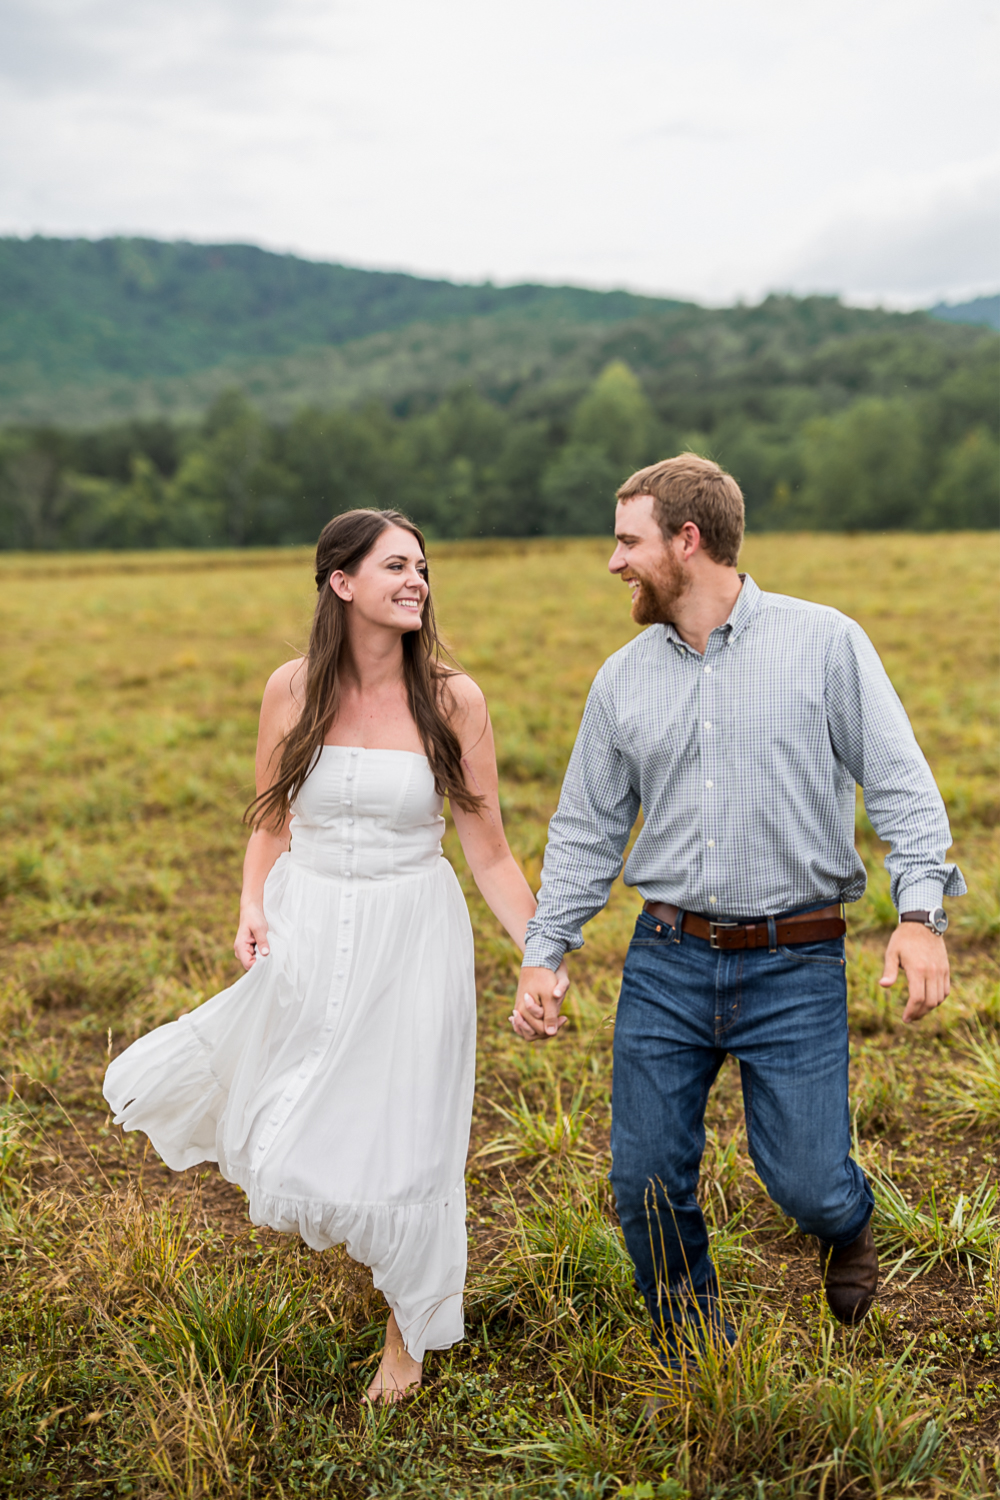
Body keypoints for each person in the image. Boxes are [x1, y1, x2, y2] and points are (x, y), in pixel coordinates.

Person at [105, 508, 567, 1403]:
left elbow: (492, 853)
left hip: (413, 929)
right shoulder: (292, 688)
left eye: (423, 567)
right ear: (340, 581)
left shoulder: (452, 698)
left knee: (414, 1127)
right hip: (308, 918)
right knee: (298, 1111)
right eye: (396, 565)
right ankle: (368, 1243)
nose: (417, 581)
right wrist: (250, 903)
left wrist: (540, 954)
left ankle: (409, 1332)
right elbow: (270, 816)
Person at [511, 454, 964, 1367]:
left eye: (627, 540)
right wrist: (544, 949)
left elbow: (903, 788)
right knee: (642, 1180)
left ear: (688, 539)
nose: (613, 562)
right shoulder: (621, 680)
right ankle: (695, 1345)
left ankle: (846, 1221)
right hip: (667, 956)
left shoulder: (825, 643)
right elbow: (586, 829)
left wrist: (919, 915)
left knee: (804, 1183)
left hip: (795, 963)